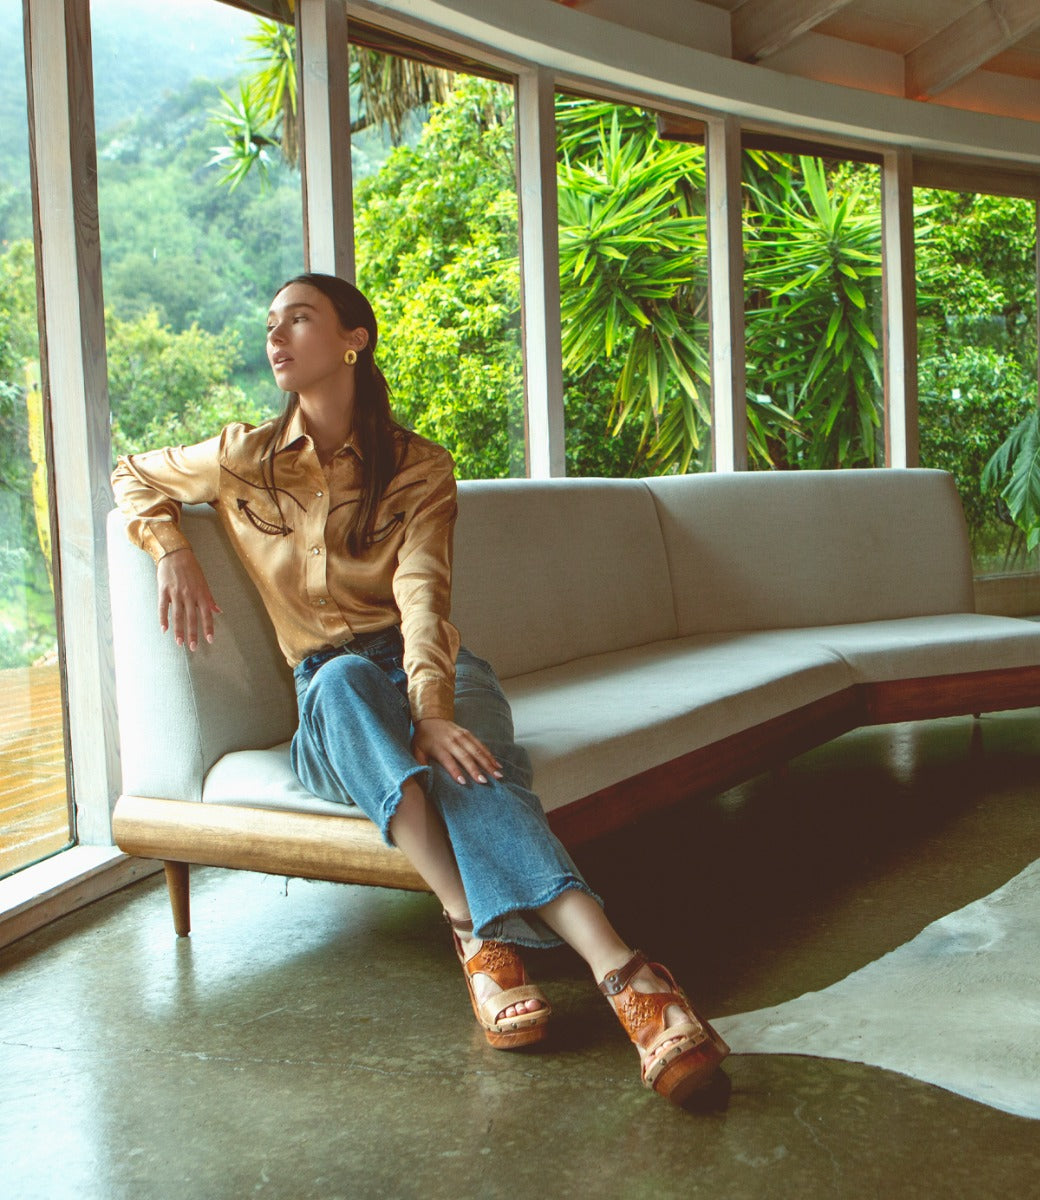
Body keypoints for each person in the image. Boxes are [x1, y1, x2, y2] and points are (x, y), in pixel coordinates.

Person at [111, 272, 729, 1104]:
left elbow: (423, 597)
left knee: (473, 769)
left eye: (299, 318)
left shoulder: (419, 469)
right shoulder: (242, 458)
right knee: (335, 684)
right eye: (270, 324)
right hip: (335, 694)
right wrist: (173, 552)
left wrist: (432, 711)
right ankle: (476, 929)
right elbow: (132, 474)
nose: (276, 336)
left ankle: (619, 966)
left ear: (353, 339)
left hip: (426, 663)